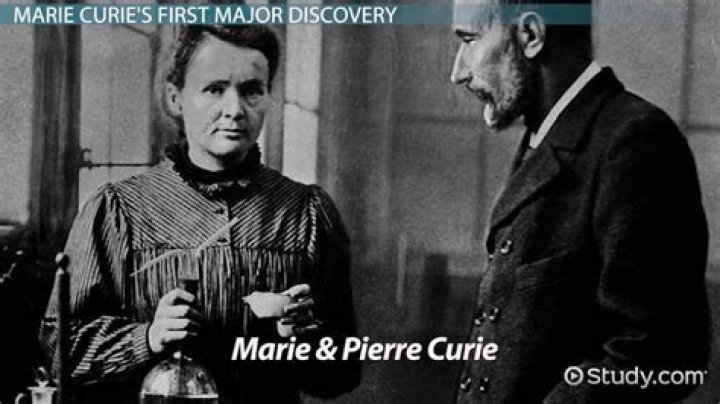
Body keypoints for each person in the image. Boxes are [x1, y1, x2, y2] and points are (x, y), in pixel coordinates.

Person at [41, 25, 360, 403]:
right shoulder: (118, 210)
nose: (234, 110)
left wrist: (306, 338)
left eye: (252, 90)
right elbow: (60, 350)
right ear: (175, 98)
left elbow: (344, 372)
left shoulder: (307, 214)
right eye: (214, 89)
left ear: (268, 98)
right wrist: (147, 338)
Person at [449, 0, 709, 402]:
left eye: (469, 40)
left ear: (531, 35)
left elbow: (659, 353)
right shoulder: (544, 139)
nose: (458, 72)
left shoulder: (635, 141)